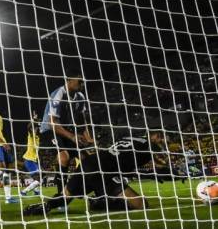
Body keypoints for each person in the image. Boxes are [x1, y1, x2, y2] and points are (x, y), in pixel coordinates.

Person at [23, 131, 165, 215]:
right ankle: (100, 203)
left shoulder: (130, 138)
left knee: (65, 197)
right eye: (161, 139)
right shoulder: (149, 146)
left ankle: (44, 206)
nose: (161, 143)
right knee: (141, 205)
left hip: (90, 163)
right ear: (155, 136)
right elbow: (140, 169)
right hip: (104, 171)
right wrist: (161, 171)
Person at [40, 70, 94, 195]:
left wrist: (88, 138)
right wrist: (72, 136)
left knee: (86, 159)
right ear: (69, 80)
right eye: (79, 81)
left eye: (83, 82)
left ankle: (80, 188)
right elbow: (52, 123)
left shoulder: (80, 97)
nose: (82, 84)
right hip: (50, 129)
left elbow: (82, 120)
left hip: (66, 130)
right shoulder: (59, 94)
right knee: (64, 157)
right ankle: (61, 196)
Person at [21, 112, 41, 196]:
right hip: (29, 160)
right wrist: (34, 119)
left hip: (33, 160)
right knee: (39, 179)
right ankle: (24, 191)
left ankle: (36, 191)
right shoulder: (31, 135)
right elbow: (29, 127)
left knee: (38, 176)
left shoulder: (37, 137)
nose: (36, 129)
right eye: (35, 127)